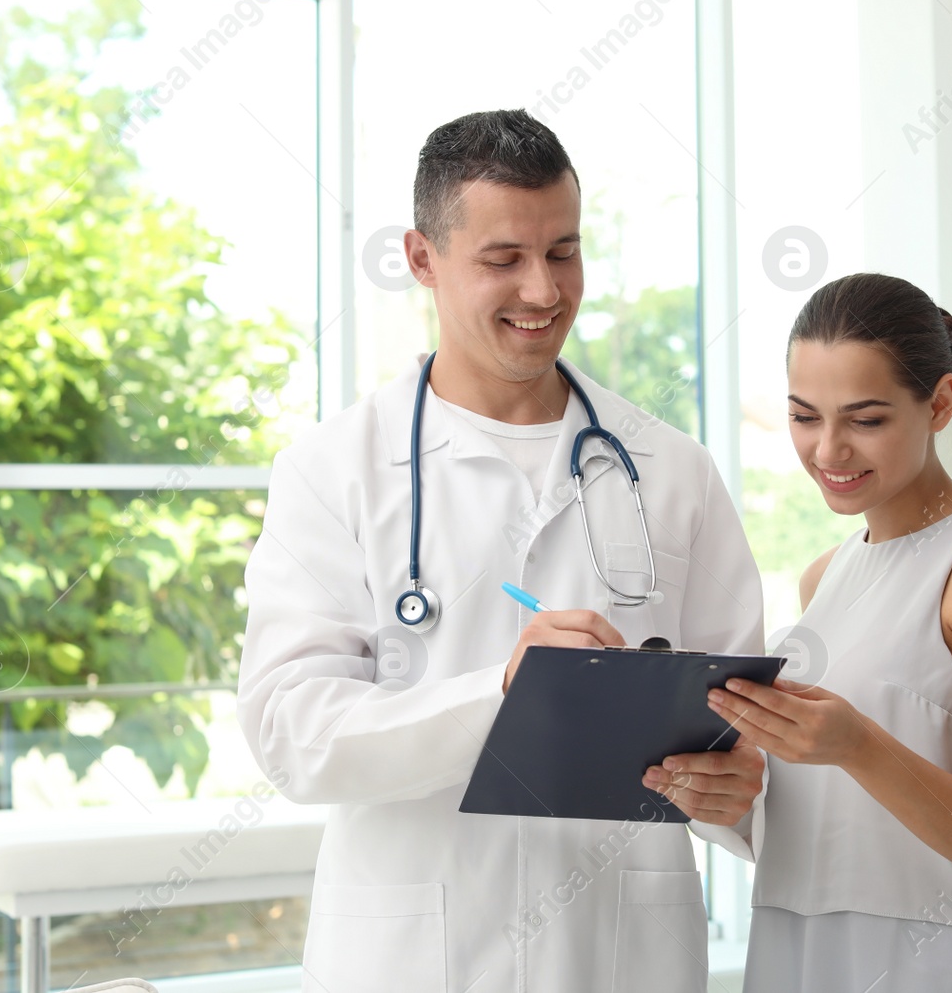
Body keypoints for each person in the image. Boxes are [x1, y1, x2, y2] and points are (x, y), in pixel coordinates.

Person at [236, 108, 766, 993]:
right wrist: (503, 693)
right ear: (421, 258)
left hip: (622, 955)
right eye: (502, 260)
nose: (544, 290)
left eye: (563, 251)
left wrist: (739, 786)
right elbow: (293, 733)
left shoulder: (673, 471)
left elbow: (747, 730)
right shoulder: (335, 470)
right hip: (411, 959)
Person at [710, 273, 952, 993]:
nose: (829, 450)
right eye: (804, 416)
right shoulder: (824, 578)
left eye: (865, 419)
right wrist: (726, 800)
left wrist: (858, 744)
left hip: (945, 960)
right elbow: (838, 829)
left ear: (939, 403)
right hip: (807, 950)